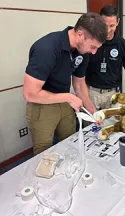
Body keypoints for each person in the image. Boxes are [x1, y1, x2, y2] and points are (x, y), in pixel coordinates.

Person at [23, 12, 107, 155]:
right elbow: (30, 93)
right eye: (93, 46)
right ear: (80, 34)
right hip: (41, 106)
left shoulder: (82, 51)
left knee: (70, 143)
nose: (94, 52)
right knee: (45, 153)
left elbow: (79, 84)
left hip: (66, 103)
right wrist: (68, 97)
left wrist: (92, 111)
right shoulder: (47, 49)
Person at [86, 5, 125, 110]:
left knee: (113, 124)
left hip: (113, 94)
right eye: (105, 25)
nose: (108, 30)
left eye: (112, 26)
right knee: (91, 126)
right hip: (91, 93)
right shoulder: (90, 41)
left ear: (118, 22)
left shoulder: (123, 45)